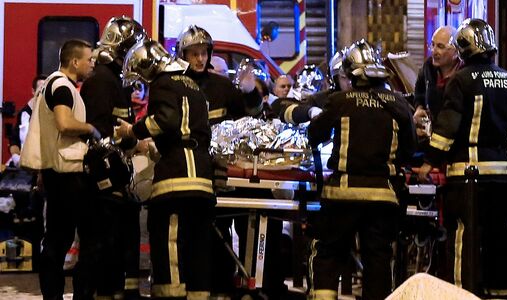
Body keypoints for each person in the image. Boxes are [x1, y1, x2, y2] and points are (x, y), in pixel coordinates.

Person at [417, 19, 507, 299]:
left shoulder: (460, 81)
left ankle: (463, 293)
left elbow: (446, 129)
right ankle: (503, 294)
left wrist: (429, 162)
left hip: (467, 178)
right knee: (500, 239)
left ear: (462, 51)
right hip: (503, 179)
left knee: (463, 237)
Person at [307, 39, 416, 300]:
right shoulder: (398, 103)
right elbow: (410, 148)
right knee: (378, 260)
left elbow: (315, 134)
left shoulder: (340, 100)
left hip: (342, 195)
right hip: (383, 198)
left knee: (329, 254)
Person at [116, 38, 214, 299]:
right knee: (197, 246)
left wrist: (132, 130)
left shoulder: (162, 83)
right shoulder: (192, 84)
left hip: (176, 177)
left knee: (169, 242)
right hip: (202, 177)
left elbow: (166, 121)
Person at [174, 25, 263, 299]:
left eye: (203, 53)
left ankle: (230, 285)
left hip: (226, 173)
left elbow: (251, 119)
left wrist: (250, 93)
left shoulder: (223, 87)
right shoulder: (174, 85)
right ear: (183, 55)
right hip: (190, 172)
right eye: (194, 54)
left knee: (231, 227)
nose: (200, 59)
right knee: (195, 234)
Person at [20, 39, 99, 300]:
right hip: (70, 174)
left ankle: (52, 297)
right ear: (75, 61)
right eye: (89, 59)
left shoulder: (50, 86)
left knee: (56, 239)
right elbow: (64, 124)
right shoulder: (64, 87)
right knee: (89, 238)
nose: (92, 64)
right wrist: (90, 129)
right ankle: (81, 295)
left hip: (55, 173)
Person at [78, 16, 145, 299]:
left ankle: (117, 292)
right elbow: (98, 132)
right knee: (100, 246)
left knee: (119, 242)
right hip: (103, 182)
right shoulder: (102, 81)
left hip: (115, 179)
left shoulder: (113, 80)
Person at [271, 50, 351, 125]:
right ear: (335, 78)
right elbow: (285, 111)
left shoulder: (362, 99)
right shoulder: (321, 99)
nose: (350, 82)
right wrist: (309, 111)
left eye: (353, 76)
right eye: (344, 77)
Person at [413, 25, 462, 138]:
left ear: (456, 51)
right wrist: (419, 108)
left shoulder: (465, 74)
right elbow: (419, 92)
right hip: (432, 136)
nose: (434, 51)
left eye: (440, 46)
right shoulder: (428, 67)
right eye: (432, 45)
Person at [8, 75, 47, 167]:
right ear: (33, 91)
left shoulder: (53, 113)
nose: (43, 94)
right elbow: (14, 140)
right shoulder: (24, 114)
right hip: (25, 166)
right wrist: (15, 157)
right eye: (40, 90)